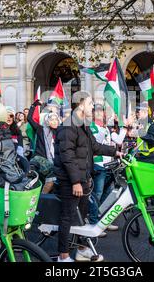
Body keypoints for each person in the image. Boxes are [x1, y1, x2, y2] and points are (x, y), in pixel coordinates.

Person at [53, 92, 123, 262]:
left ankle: (81, 250)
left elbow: (95, 146)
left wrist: (115, 152)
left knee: (81, 218)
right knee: (68, 217)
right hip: (70, 181)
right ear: (81, 105)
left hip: (83, 179)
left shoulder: (83, 125)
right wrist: (76, 181)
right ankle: (63, 256)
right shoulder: (68, 126)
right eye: (91, 103)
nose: (93, 107)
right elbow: (67, 157)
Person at [27, 99, 59, 193]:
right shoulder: (41, 130)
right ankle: (42, 197)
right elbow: (29, 118)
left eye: (55, 119)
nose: (54, 121)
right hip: (39, 159)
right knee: (53, 175)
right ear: (47, 122)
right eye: (51, 119)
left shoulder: (60, 133)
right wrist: (34, 105)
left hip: (53, 161)